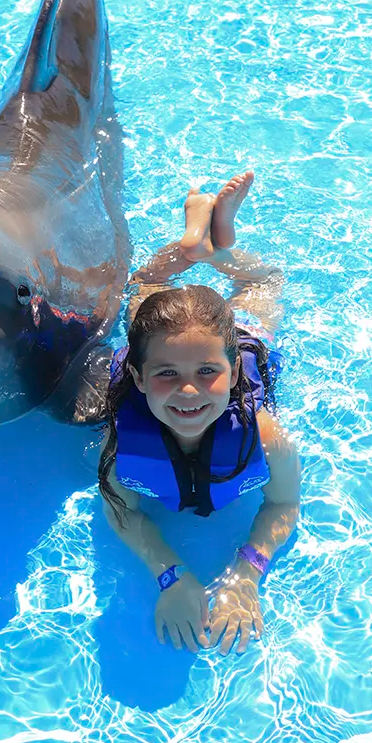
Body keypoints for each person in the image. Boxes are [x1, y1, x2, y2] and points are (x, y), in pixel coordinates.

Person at [99, 170, 300, 656]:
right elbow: (119, 508)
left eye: (207, 371)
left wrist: (247, 574)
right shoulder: (125, 439)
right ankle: (197, 242)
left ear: (233, 375)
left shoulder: (264, 433)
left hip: (238, 330)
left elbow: (284, 504)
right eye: (166, 374)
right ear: (141, 379)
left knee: (266, 280)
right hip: (170, 338)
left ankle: (212, 246)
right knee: (145, 284)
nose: (188, 391)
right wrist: (171, 576)